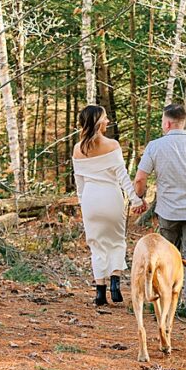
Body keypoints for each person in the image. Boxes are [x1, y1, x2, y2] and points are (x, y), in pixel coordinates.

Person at [133, 103, 186, 319]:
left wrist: (140, 196)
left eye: (162, 122)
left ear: (167, 123)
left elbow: (140, 178)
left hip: (168, 212)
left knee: (166, 256)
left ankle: (164, 302)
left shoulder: (155, 146)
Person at [72, 105, 146, 307]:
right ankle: (115, 282)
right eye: (104, 118)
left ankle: (99, 292)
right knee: (116, 242)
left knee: (96, 245)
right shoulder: (112, 145)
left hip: (90, 200)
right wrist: (136, 200)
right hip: (110, 197)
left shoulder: (78, 149)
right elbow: (122, 177)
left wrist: (83, 204)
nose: (107, 121)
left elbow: (79, 184)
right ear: (97, 121)